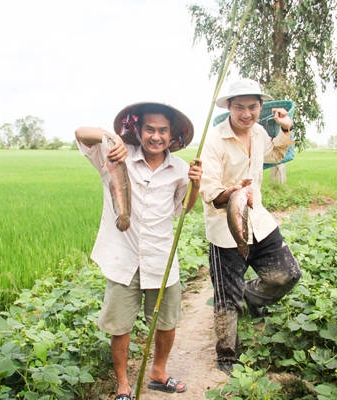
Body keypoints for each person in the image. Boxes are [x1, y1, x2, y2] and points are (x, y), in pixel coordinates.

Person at [75, 102, 202, 400]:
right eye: (149, 129)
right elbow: (81, 133)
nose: (156, 136)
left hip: (161, 257)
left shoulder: (181, 169)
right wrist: (111, 137)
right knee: (120, 326)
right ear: (138, 130)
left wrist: (196, 185)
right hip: (123, 258)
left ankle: (158, 372)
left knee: (167, 322)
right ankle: (122, 385)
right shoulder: (116, 156)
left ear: (171, 136)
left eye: (162, 130)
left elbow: (185, 209)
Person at [199, 79, 302, 373]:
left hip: (259, 219)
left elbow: (274, 155)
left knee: (287, 275)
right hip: (226, 226)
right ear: (229, 107)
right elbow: (208, 189)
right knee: (225, 299)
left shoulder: (258, 133)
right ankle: (227, 356)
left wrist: (285, 129)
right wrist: (231, 192)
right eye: (240, 107)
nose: (247, 113)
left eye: (253, 106)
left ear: (261, 107)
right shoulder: (215, 141)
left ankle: (248, 295)